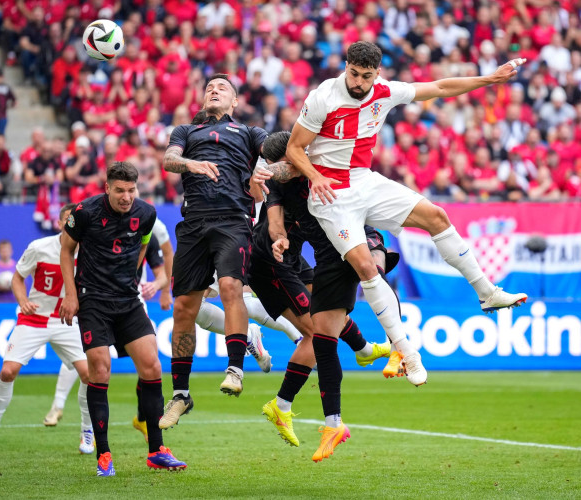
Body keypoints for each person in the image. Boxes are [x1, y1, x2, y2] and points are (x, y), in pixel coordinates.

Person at [282, 42, 528, 459]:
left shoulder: (385, 92)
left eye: (366, 75)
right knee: (365, 267)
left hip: (365, 181)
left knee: (437, 216)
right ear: (346, 68)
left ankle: (487, 292)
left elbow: (440, 87)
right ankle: (406, 351)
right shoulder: (323, 96)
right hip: (332, 196)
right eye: (354, 74)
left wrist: (491, 77)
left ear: (376, 73)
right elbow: (293, 148)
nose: (359, 82)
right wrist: (313, 177)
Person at [254, 132, 394, 454]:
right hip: (273, 262)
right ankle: (283, 404)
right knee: (318, 335)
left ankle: (362, 351)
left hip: (298, 259)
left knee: (328, 316)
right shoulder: (278, 183)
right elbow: (274, 221)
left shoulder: (316, 171)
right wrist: (279, 238)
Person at [58, 161, 186, 476]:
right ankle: (103, 455)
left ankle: (157, 450)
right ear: (107, 188)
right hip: (93, 301)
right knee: (100, 371)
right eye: (119, 191)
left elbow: (144, 245)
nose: (126, 197)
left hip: (128, 300)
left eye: (131, 190)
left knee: (152, 365)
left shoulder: (146, 214)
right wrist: (71, 295)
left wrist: (136, 274)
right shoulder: (85, 212)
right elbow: (65, 250)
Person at [159, 73, 268, 429]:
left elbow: (279, 155)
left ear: (235, 102)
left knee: (230, 287)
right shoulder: (186, 132)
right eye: (209, 87)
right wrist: (191, 163)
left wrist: (261, 175)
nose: (214, 90)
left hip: (234, 219)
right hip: (193, 224)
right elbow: (169, 159)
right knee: (184, 307)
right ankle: (180, 395)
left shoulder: (249, 133)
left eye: (222, 88)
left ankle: (235, 369)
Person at [0, 204, 95, 457]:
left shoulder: (90, 251)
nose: (71, 225)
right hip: (35, 318)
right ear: (60, 223)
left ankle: (88, 430)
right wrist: (22, 301)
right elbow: (18, 278)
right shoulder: (39, 247)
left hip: (68, 321)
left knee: (90, 375)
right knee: (7, 372)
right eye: (67, 220)